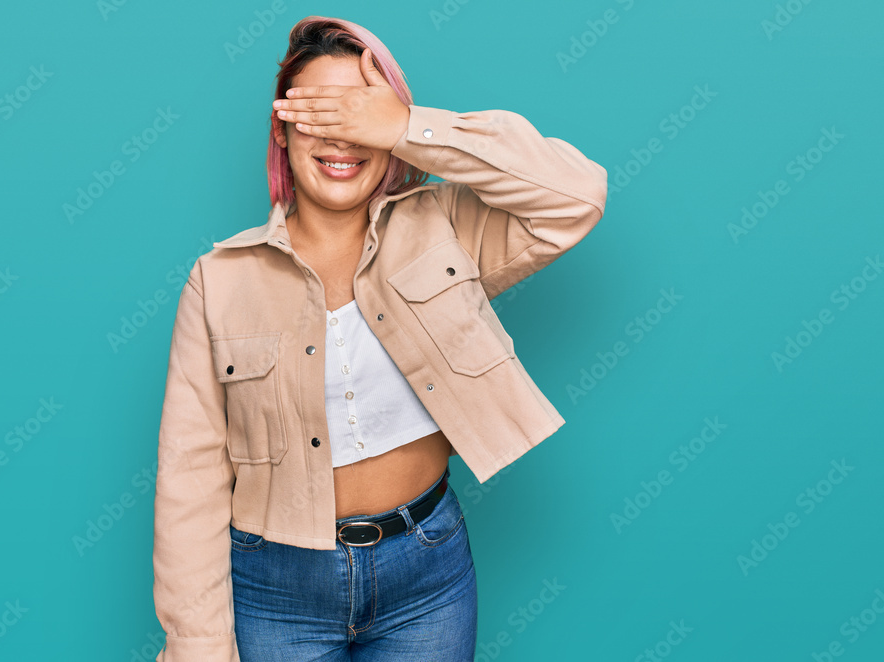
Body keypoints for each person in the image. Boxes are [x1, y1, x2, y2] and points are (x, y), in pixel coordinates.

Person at [152, 15, 608, 662]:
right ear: (281, 132)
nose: (342, 136)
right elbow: (188, 477)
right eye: (319, 115)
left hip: (427, 573)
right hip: (276, 586)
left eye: (356, 113)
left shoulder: (445, 228)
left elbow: (576, 196)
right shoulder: (220, 280)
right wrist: (196, 647)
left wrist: (405, 125)